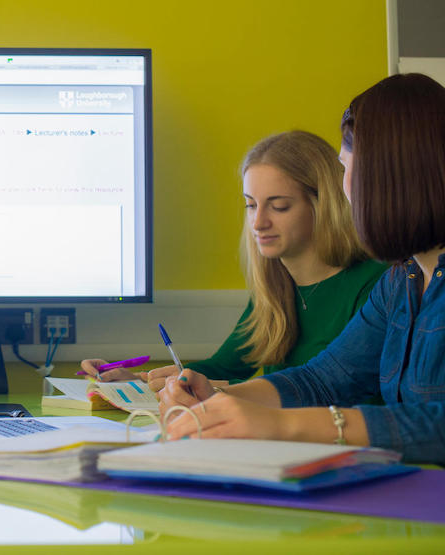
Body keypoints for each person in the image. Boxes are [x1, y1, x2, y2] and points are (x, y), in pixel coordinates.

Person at [159, 73, 445, 464]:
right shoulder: (401, 280)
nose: (345, 189)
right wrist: (217, 398)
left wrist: (280, 424)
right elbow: (323, 380)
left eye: (347, 168)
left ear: (385, 178)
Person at [82, 131, 385, 388]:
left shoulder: (375, 284)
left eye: (279, 206)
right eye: (251, 205)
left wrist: (224, 392)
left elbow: (341, 393)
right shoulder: (275, 287)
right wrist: (139, 380)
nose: (258, 223)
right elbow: (222, 368)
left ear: (324, 205)